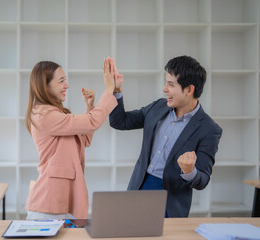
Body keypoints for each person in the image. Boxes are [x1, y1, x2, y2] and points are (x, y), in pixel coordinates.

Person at [109, 55, 222, 217]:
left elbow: (202, 180)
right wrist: (116, 91)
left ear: (189, 90)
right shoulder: (158, 107)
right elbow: (120, 122)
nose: (164, 89)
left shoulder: (209, 129)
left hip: (170, 201)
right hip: (139, 186)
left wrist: (190, 171)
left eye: (171, 84)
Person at [25, 59, 118, 220]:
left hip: (60, 199)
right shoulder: (44, 116)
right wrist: (109, 89)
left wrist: (89, 106)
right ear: (45, 86)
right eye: (61, 81)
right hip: (49, 203)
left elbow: (84, 140)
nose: (66, 85)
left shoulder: (54, 113)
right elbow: (91, 122)